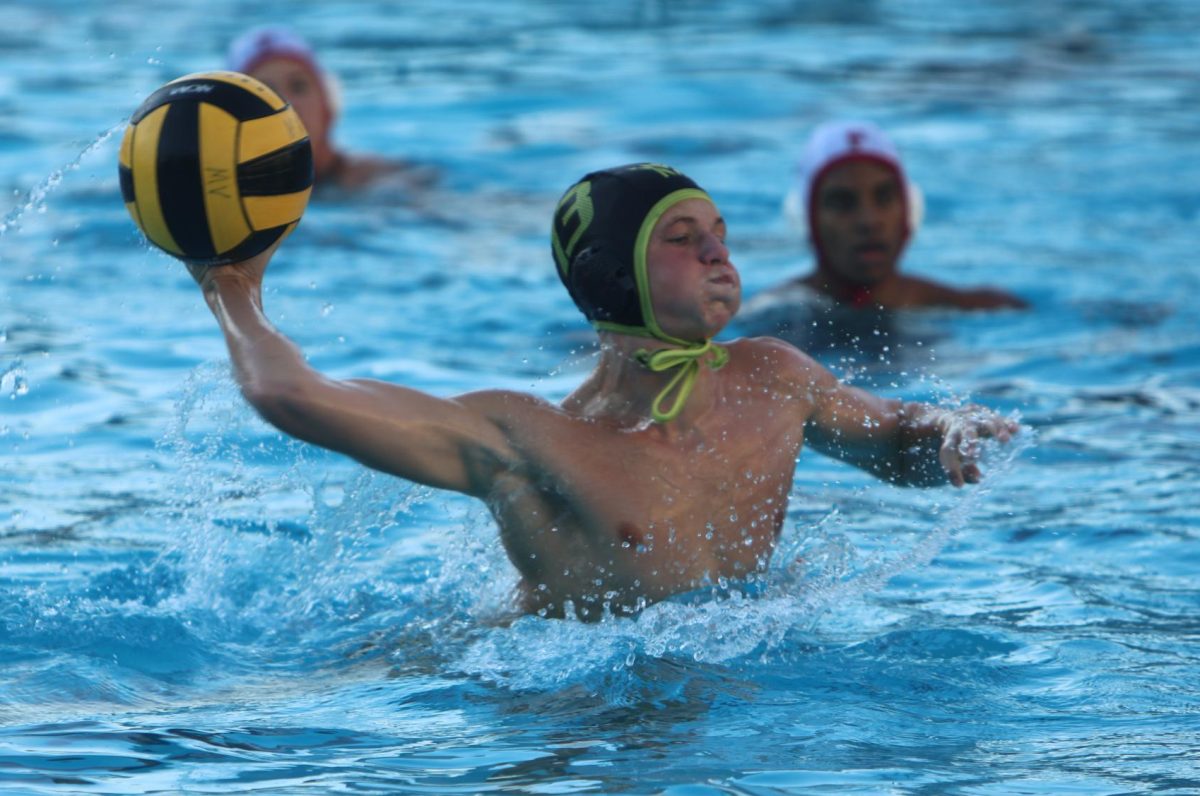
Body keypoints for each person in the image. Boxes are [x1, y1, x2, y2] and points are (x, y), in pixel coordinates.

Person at [187, 162, 1017, 621]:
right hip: (571, 728)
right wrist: (231, 288)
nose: (719, 254)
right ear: (611, 275)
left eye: (721, 235)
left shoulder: (774, 376)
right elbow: (289, 393)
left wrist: (945, 428)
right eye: (684, 239)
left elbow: (894, 439)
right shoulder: (531, 441)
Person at [753, 120, 1027, 311]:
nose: (869, 221)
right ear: (805, 219)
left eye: (885, 197)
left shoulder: (985, 308)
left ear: (911, 209)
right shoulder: (770, 320)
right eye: (843, 202)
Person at [226, 25, 433, 192]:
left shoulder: (380, 180)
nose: (287, 104)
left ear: (327, 106)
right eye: (266, 92)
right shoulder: (225, 191)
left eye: (299, 86)